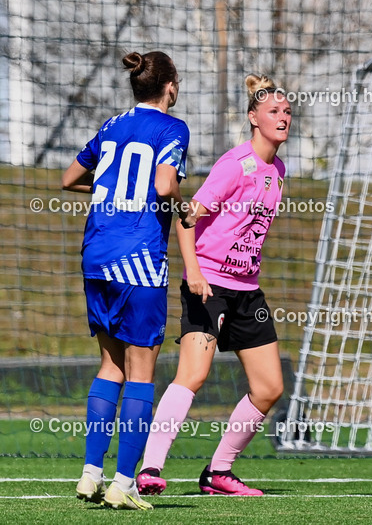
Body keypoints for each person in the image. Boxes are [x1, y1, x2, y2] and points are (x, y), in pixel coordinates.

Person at [135, 75, 290, 497]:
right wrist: (196, 272)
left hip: (246, 290)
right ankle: (149, 467)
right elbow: (188, 218)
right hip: (208, 286)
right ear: (253, 118)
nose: (283, 117)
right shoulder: (233, 165)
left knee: (269, 387)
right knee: (193, 375)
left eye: (287, 111)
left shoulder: (277, 169)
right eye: (274, 111)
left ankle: (218, 472)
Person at [62, 51, 189, 510]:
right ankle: (123, 483)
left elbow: (69, 177)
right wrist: (181, 201)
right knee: (141, 373)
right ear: (170, 87)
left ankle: (90, 474)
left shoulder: (112, 125)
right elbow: (161, 185)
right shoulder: (173, 129)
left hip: (95, 254)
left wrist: (112, 184)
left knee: (110, 366)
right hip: (137, 258)